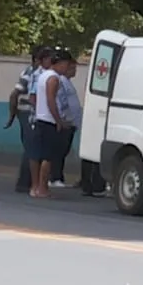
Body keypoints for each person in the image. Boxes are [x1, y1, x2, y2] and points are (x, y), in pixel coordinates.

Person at [28, 49, 72, 198]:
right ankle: (43, 187)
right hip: (49, 120)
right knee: (48, 156)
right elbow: (51, 100)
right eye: (67, 65)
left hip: (39, 118)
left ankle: (34, 186)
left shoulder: (42, 75)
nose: (67, 69)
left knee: (35, 154)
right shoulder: (54, 78)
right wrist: (58, 120)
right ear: (60, 63)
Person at [8, 46, 50, 193]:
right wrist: (12, 116)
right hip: (27, 112)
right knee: (31, 148)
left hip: (33, 113)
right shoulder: (30, 73)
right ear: (37, 60)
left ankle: (31, 182)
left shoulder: (42, 73)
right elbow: (14, 95)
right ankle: (24, 183)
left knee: (33, 147)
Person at [49, 59, 82, 188]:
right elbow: (60, 101)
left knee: (64, 150)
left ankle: (58, 176)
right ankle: (55, 177)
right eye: (72, 68)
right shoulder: (61, 81)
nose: (75, 71)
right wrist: (62, 119)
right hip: (65, 122)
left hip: (71, 122)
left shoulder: (68, 82)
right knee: (59, 151)